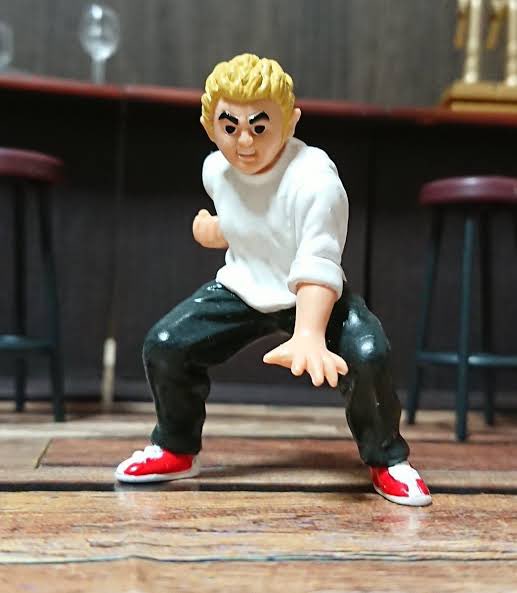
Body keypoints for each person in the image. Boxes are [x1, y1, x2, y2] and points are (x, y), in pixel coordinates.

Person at [115, 53, 431, 507]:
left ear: (291, 122)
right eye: (230, 127)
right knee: (167, 345)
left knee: (368, 352)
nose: (244, 141)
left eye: (259, 127)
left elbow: (317, 260)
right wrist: (217, 230)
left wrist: (308, 333)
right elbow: (256, 221)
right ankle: (176, 446)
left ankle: (387, 458)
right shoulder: (216, 171)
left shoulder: (315, 180)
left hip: (309, 295)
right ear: (210, 127)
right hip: (242, 286)